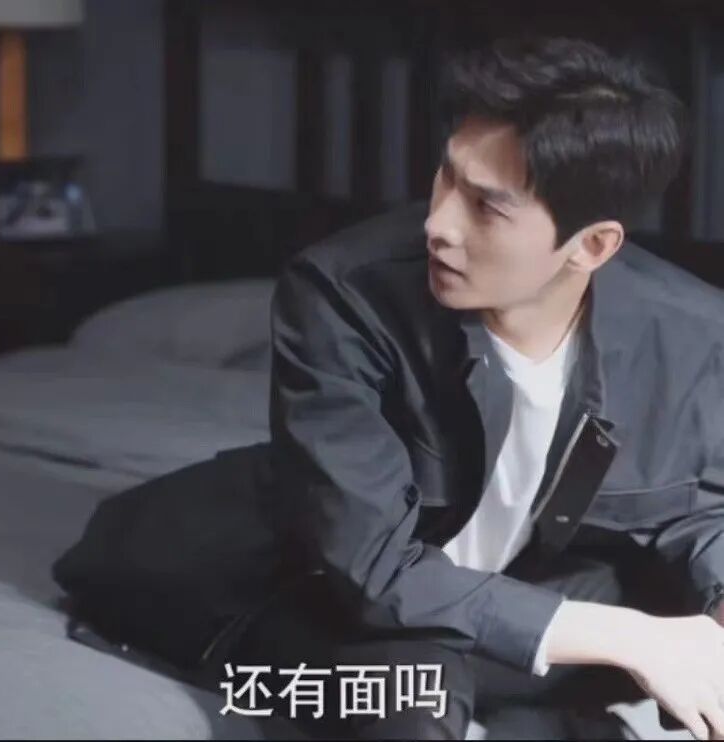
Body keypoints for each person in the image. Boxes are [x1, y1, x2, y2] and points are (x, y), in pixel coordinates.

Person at [220, 35, 724, 740]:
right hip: (348, 609)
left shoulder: (690, 332)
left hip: (532, 595)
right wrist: (628, 638)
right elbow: (370, 568)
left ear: (592, 246)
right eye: (446, 176)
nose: (439, 224)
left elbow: (702, 511)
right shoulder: (343, 292)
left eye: (487, 207)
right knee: (414, 696)